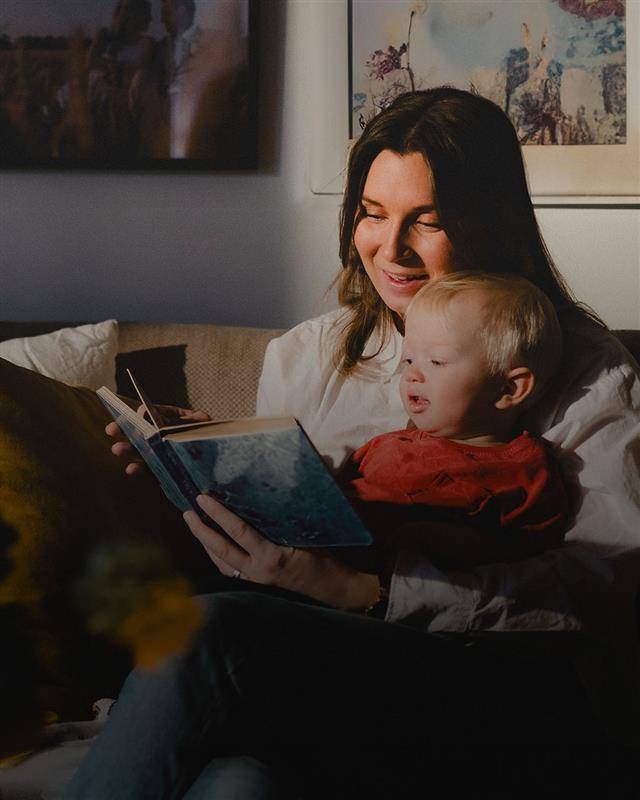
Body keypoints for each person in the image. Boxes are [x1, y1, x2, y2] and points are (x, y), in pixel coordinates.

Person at [65, 88, 640, 798]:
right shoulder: (308, 355)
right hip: (316, 684)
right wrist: (183, 486)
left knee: (210, 632)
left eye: (425, 222)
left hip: (492, 688)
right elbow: (266, 575)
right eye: (372, 215)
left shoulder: (581, 366)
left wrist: (370, 593)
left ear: (489, 222)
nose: (390, 250)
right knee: (236, 788)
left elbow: (609, 588)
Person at [343, 270, 569, 571]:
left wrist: (470, 545)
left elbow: (537, 557)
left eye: (436, 362)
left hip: (397, 597)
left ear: (508, 389)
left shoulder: (525, 470)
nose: (412, 374)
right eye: (408, 360)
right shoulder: (384, 445)